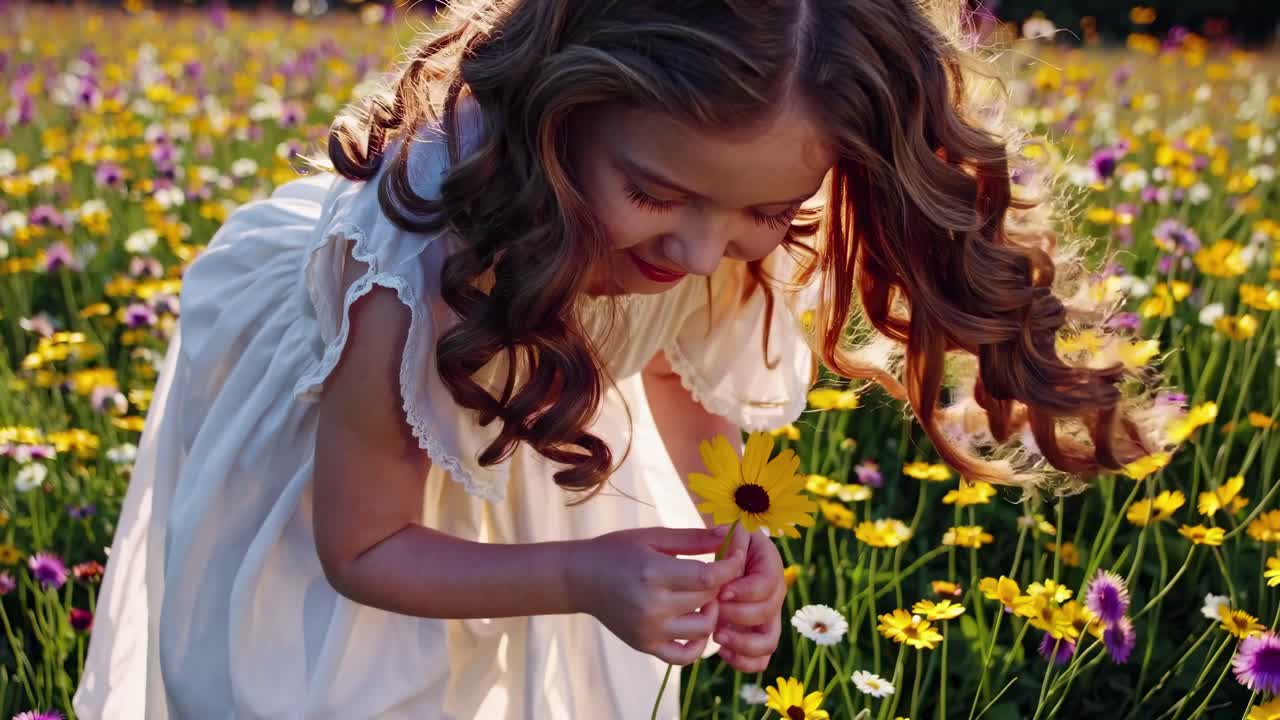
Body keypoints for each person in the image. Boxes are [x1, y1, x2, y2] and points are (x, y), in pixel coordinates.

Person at [73, 0, 1156, 717]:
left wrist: (730, 532)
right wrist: (578, 576)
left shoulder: (725, 212)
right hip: (353, 502)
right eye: (654, 196)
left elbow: (679, 380)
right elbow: (361, 546)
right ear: (559, 116)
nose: (695, 251)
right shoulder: (408, 271)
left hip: (530, 434)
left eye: (764, 210)